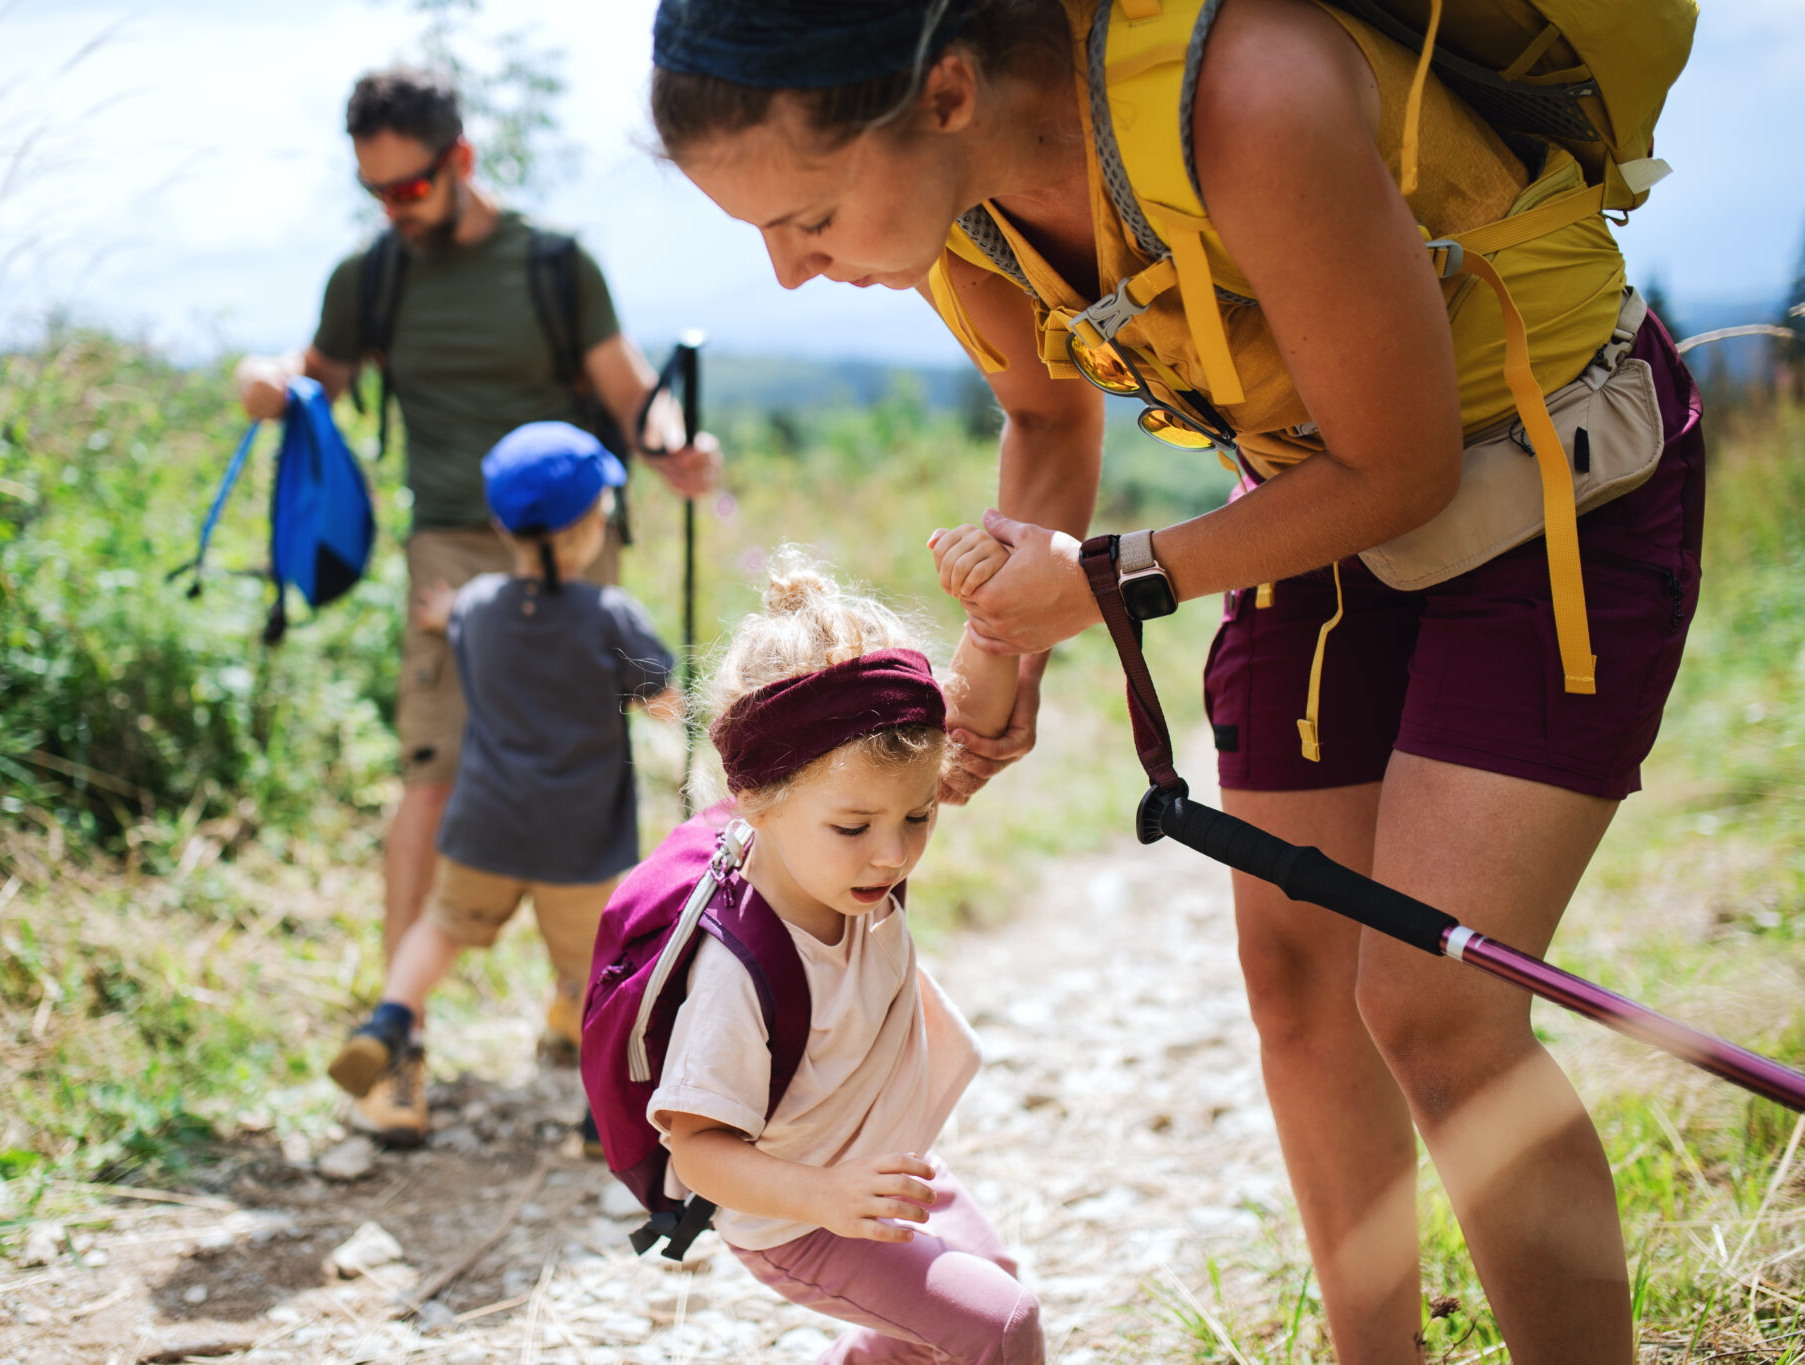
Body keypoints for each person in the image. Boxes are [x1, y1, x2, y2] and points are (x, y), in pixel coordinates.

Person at [646, 2, 1705, 1361]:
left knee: (1436, 1007)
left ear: (949, 92)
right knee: (1298, 977)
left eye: (807, 213)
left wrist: (1104, 582)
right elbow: (1044, 411)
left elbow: (1407, 467)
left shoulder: (1248, 91)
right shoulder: (956, 198)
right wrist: (997, 656)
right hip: (1308, 494)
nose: (791, 272)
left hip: (1553, 471)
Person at [233, 66, 721, 1139]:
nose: (393, 212)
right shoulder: (372, 276)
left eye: (408, 189)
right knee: (434, 775)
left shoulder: (554, 265)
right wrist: (266, 378)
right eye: (374, 194)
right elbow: (315, 372)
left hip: (579, 544)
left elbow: (626, 386)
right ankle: (398, 1044)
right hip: (450, 552)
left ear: (457, 162)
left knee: (587, 765)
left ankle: (580, 996)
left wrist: (670, 443)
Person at [645, 553, 1040, 1365]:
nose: (893, 855)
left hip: (873, 1172)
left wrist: (996, 621)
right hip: (801, 1216)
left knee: (980, 1286)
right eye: (856, 827)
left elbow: (973, 721)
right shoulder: (741, 969)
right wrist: (826, 1196)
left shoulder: (852, 854)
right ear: (755, 795)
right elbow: (695, 1150)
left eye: (921, 815)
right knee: (997, 1322)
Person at [329, 422, 684, 1145]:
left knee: (442, 926)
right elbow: (666, 699)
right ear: (594, 525)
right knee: (597, 976)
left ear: (500, 524)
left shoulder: (481, 605)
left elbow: (450, 611)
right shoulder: (611, 616)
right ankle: (600, 1117)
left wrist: (441, 611)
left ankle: (391, 1015)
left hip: (484, 826)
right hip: (579, 842)